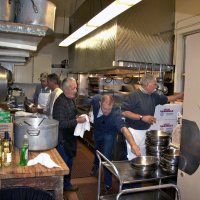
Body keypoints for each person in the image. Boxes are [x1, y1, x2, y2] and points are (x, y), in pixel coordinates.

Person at [121, 74, 184, 160]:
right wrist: (142, 117)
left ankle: (140, 172)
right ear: (147, 84)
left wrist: (180, 95)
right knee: (133, 157)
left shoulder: (154, 95)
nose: (156, 86)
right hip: (133, 132)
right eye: (154, 84)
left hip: (146, 131)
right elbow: (125, 112)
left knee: (142, 156)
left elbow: (167, 99)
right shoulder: (134, 96)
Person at [90, 94, 141, 192]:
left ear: (112, 105)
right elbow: (92, 103)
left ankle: (107, 184)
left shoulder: (115, 113)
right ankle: (95, 165)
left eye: (109, 109)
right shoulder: (96, 100)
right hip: (98, 131)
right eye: (105, 109)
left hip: (109, 133)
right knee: (97, 150)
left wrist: (133, 144)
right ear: (100, 103)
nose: (107, 111)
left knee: (106, 155)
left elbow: (124, 129)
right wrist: (91, 111)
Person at [53, 77, 86, 192]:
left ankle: (66, 185)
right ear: (66, 89)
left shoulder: (70, 99)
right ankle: (60, 189)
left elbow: (70, 116)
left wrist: (77, 117)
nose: (76, 90)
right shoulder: (60, 103)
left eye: (76, 88)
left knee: (69, 164)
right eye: (74, 88)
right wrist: (77, 121)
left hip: (70, 138)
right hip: (63, 140)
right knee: (63, 166)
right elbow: (60, 123)